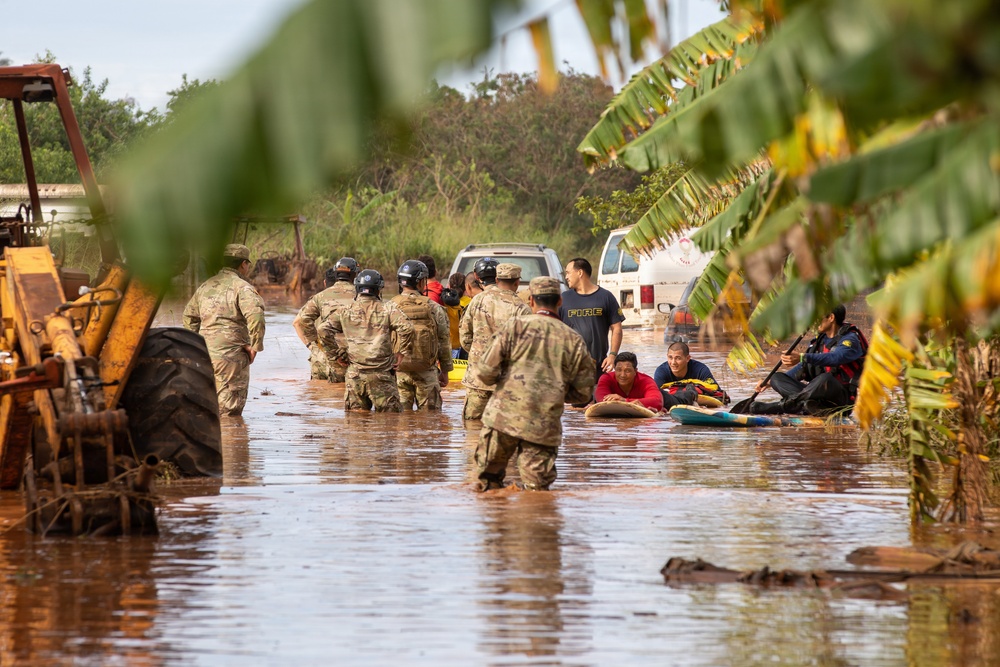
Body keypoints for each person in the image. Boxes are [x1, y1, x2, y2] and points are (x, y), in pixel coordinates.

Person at [473, 276, 595, 491]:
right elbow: (583, 394)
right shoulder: (573, 339)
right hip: (543, 426)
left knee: (487, 487)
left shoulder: (513, 328)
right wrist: (556, 392)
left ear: (531, 300)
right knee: (537, 492)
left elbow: (483, 373)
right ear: (559, 301)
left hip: (502, 420)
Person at [183, 243, 265, 416]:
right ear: (243, 264)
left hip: (205, 354)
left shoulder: (205, 286)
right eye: (247, 264)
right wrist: (255, 347)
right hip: (232, 355)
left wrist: (194, 346)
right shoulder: (242, 288)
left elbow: (189, 317)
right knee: (230, 410)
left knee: (208, 405)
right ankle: (231, 440)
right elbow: (256, 317)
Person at [318, 269, 414, 412]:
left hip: (355, 376)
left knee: (357, 426)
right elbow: (407, 328)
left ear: (357, 288)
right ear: (379, 289)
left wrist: (335, 355)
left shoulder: (346, 310)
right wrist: (402, 353)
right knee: (389, 424)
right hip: (382, 376)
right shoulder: (387, 309)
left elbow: (322, 330)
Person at [751, 305, 868, 415]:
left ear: (831, 317)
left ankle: (781, 406)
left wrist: (803, 356)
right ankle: (805, 405)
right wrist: (769, 382)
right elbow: (802, 368)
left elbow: (836, 357)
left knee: (824, 379)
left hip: (841, 402)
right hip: (814, 397)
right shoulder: (819, 340)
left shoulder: (851, 339)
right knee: (777, 378)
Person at [459, 260, 531, 420]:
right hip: (507, 384)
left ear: (497, 280)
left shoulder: (477, 300)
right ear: (517, 282)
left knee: (472, 431)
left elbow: (464, 338)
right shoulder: (522, 308)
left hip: (477, 381)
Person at [390, 259, 453, 410]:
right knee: (429, 421)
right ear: (421, 282)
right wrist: (445, 371)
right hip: (427, 373)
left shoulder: (389, 306)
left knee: (400, 422)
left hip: (399, 373)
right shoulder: (434, 307)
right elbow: (444, 340)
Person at [559, 257, 625, 388]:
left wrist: (612, 355)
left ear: (580, 272)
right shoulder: (563, 299)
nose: (566, 277)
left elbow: (617, 328)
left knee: (595, 403)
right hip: (571, 366)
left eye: (568, 272)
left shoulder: (606, 297)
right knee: (574, 405)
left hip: (599, 365)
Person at [292, 257, 358, 382]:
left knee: (323, 396)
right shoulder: (361, 296)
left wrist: (315, 344)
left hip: (323, 357)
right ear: (355, 275)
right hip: (353, 357)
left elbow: (302, 320)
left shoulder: (320, 296)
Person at [653, 341, 727, 408]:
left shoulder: (700, 370)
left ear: (688, 358)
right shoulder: (661, 371)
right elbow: (656, 394)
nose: (673, 362)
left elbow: (717, 392)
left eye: (678, 358)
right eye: (670, 357)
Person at [594, 351, 664, 411]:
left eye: (627, 371)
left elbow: (658, 401)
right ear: (614, 369)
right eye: (618, 370)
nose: (622, 375)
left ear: (635, 371)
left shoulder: (646, 381)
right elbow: (601, 400)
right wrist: (629, 403)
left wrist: (624, 401)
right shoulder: (606, 378)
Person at [441, 272, 470, 359]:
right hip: (464, 347)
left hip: (448, 346)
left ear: (449, 286)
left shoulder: (444, 303)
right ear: (466, 287)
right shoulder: (471, 302)